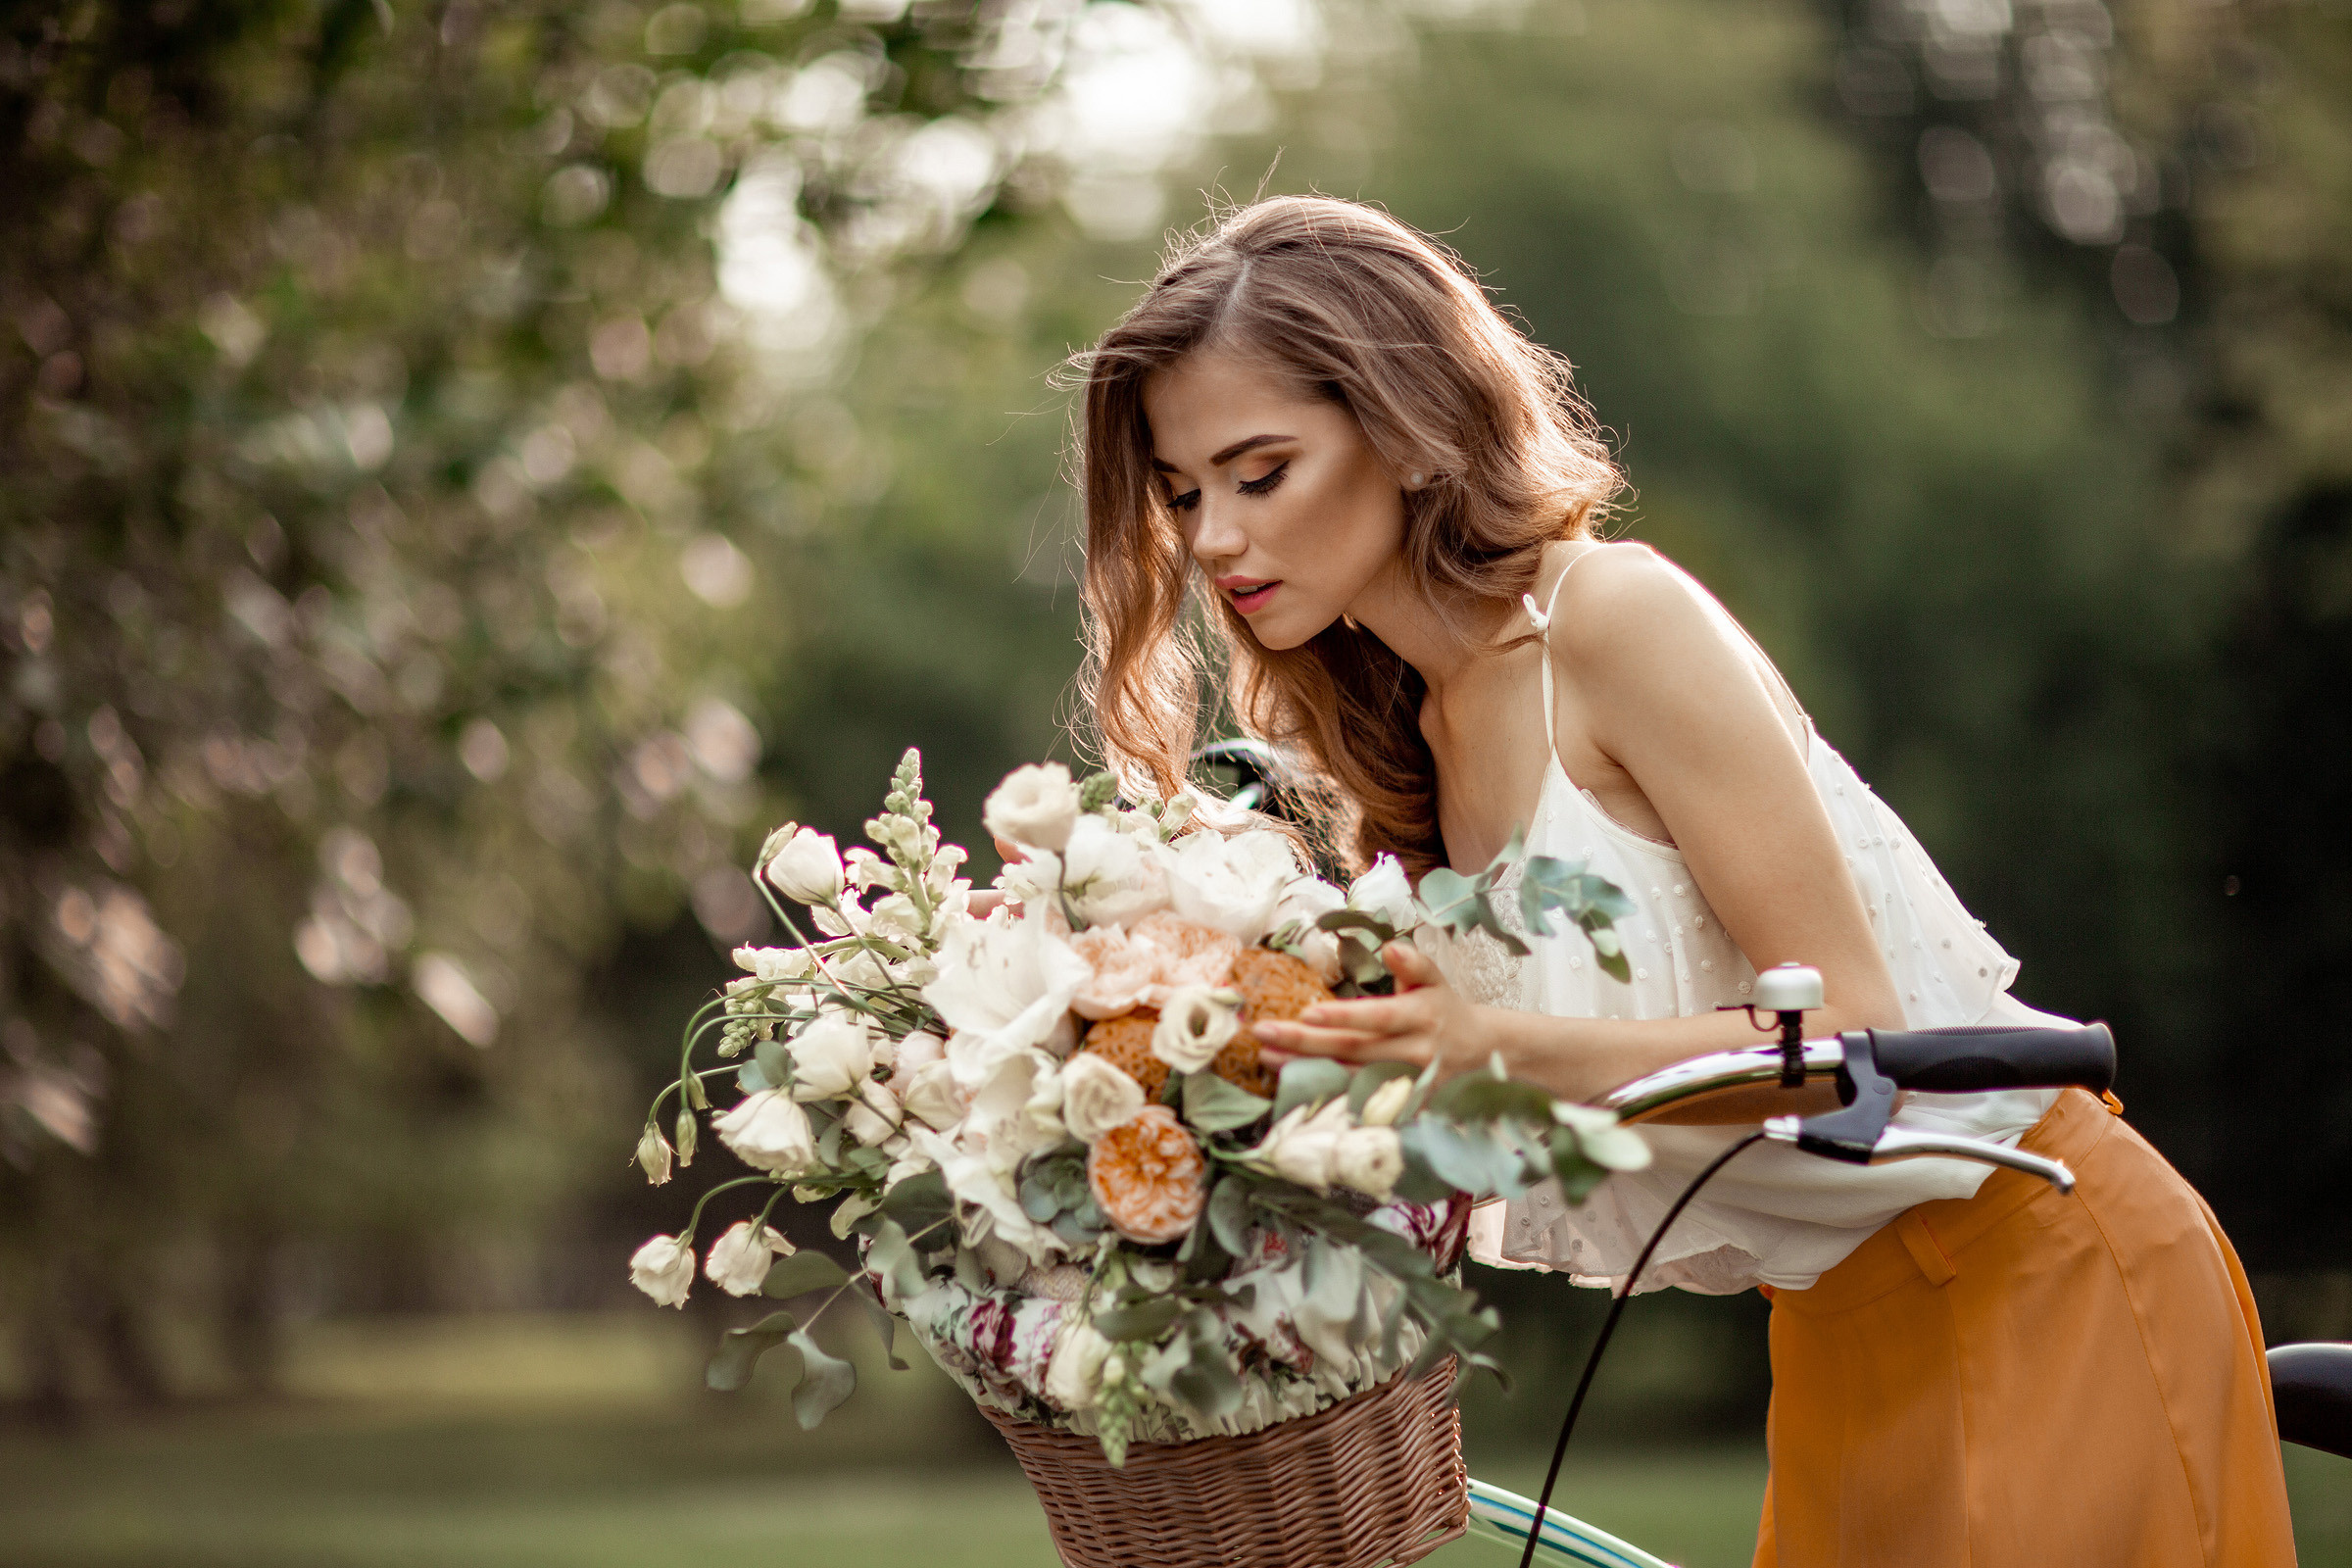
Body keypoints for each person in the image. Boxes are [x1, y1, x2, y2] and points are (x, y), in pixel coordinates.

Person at [1070, 194, 2294, 1567]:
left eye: (1259, 470)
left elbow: (1848, 1036)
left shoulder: (1612, 619)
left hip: (2040, 1269)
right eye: (1183, 494)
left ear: (1405, 429)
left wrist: (1492, 1047)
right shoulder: (1407, 739)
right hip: (1837, 1337)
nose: (1216, 539)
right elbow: (1507, 1110)